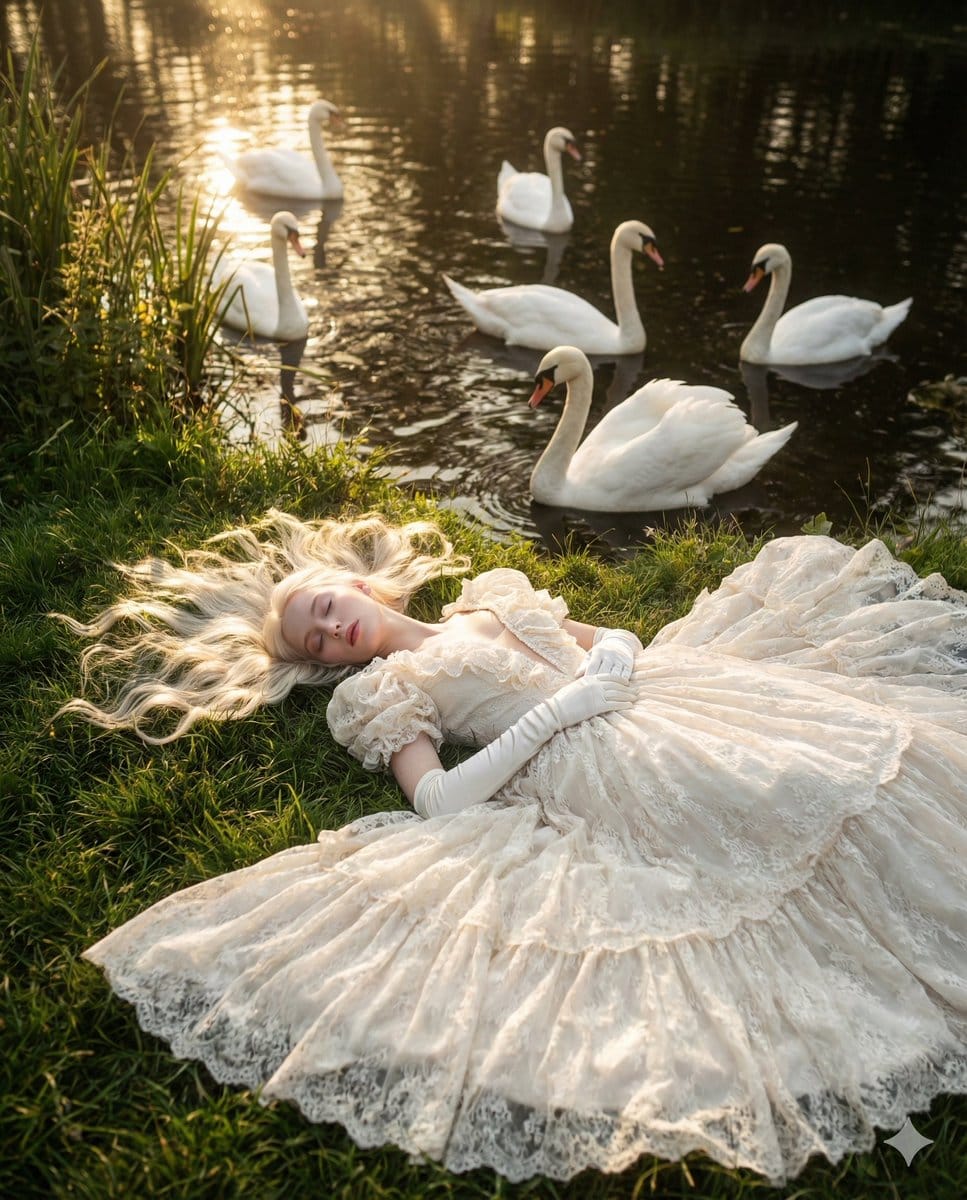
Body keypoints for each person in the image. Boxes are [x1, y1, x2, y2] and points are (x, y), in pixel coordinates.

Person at [58, 509, 967, 1185]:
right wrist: (556, 713)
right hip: (584, 758)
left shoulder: (491, 600)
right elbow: (443, 804)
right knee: (761, 802)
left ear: (362, 588)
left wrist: (612, 656)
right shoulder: (384, 695)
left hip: (656, 697)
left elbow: (611, 636)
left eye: (328, 606)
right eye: (315, 638)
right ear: (323, 660)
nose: (332, 629)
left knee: (842, 751)